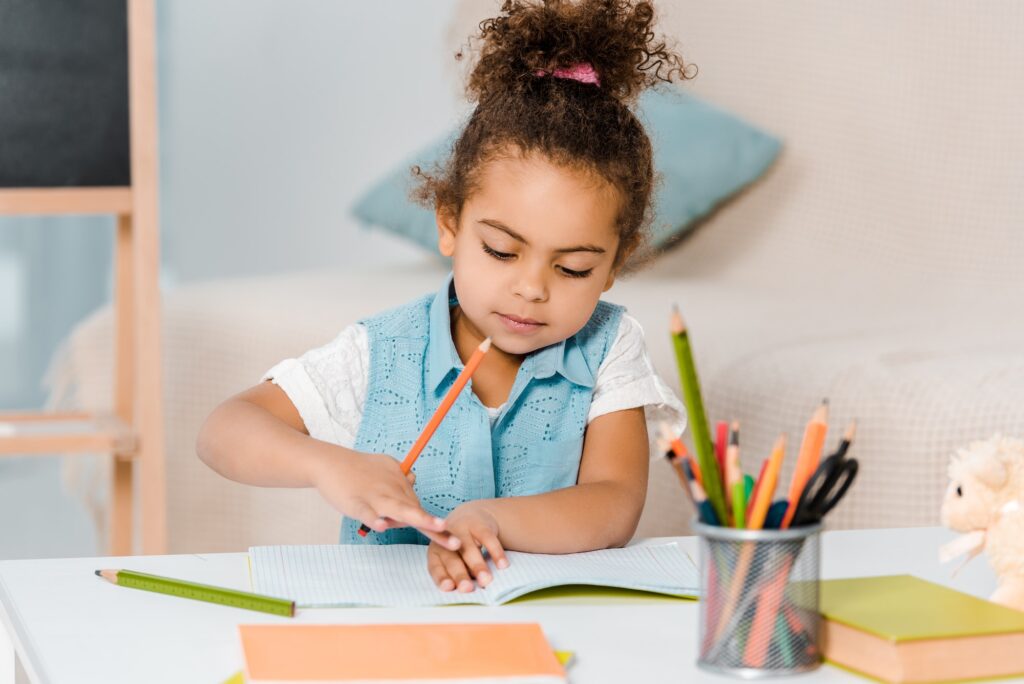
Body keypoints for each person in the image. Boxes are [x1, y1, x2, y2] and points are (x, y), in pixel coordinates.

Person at [197, 0, 691, 594]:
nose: (531, 288)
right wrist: (331, 466)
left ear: (614, 264)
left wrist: (492, 520)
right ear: (451, 223)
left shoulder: (610, 348)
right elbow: (224, 430)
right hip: (392, 625)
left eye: (574, 267)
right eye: (503, 253)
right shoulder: (380, 352)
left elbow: (614, 504)